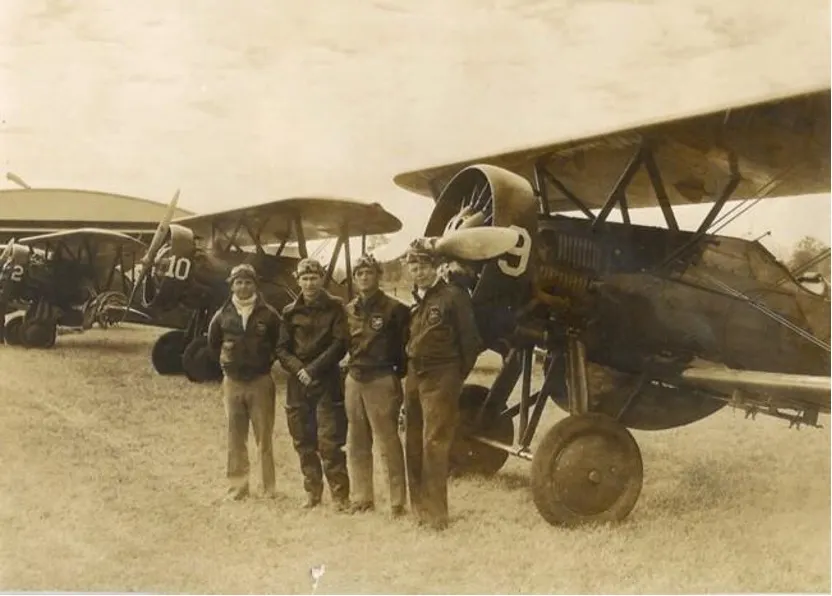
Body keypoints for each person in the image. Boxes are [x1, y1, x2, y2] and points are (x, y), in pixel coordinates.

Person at [403, 241, 483, 530]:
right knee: (411, 440)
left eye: (424, 266)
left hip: (442, 377)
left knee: (434, 443)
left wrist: (454, 377)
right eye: (414, 266)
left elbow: (471, 343)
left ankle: (437, 515)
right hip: (415, 375)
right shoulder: (417, 299)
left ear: (436, 267)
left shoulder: (453, 296)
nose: (419, 271)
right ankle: (419, 510)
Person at [275, 257, 350, 510]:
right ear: (298, 280)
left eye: (314, 277)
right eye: (304, 278)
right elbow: (282, 349)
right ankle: (312, 493)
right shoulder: (288, 312)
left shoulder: (336, 307)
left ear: (321, 279)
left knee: (329, 440)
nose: (309, 283)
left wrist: (313, 369)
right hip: (298, 383)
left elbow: (340, 344)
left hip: (326, 380)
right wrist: (299, 370)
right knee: (303, 440)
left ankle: (340, 496)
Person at [206, 263, 282, 501]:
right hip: (233, 382)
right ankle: (238, 487)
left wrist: (263, 363)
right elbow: (213, 343)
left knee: (264, 437)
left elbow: (279, 344)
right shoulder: (222, 314)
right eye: (238, 282)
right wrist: (229, 363)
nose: (243, 287)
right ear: (232, 285)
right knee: (235, 436)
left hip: (260, 381)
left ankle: (268, 488)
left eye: (248, 282)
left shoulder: (269, 314)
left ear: (255, 285)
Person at [343, 253, 410, 517]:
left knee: (388, 442)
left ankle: (396, 502)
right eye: (359, 273)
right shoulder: (349, 310)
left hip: (381, 378)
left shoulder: (395, 309)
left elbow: (405, 347)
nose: (364, 277)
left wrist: (395, 375)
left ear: (378, 276)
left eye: (369, 272)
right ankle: (362, 498)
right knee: (357, 441)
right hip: (354, 379)